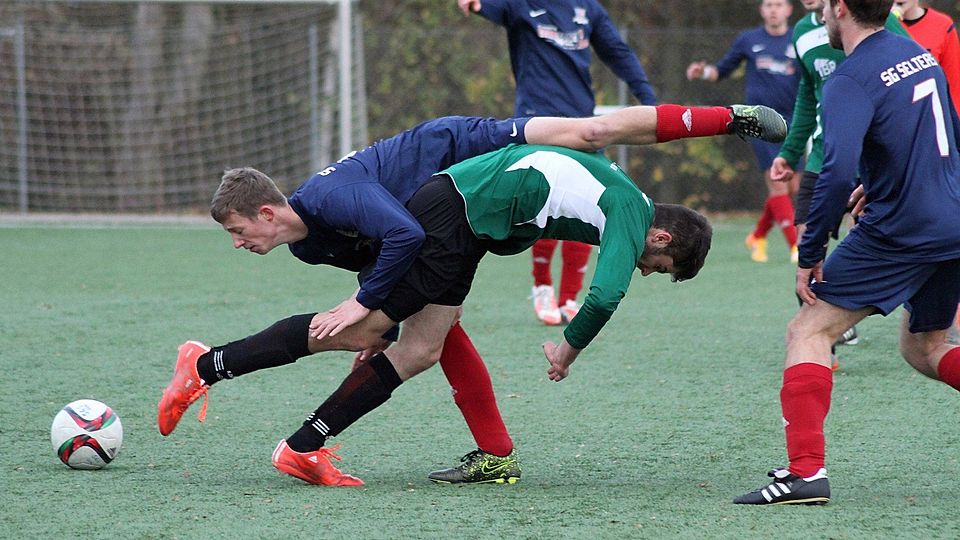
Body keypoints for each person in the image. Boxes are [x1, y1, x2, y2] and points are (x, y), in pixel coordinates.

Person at [158, 105, 780, 486]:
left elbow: (390, 239)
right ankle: (211, 368)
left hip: (464, 186)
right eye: (661, 264)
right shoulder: (628, 211)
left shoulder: (318, 220)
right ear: (662, 236)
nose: (650, 271)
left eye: (241, 233)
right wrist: (368, 308)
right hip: (453, 199)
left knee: (421, 344)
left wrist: (374, 305)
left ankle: (304, 445)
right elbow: (605, 294)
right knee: (366, 331)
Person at [735, 0, 960, 506]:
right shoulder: (916, 53)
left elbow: (835, 171)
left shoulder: (850, 77)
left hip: (903, 229)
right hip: (953, 219)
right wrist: (880, 185)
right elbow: (949, 140)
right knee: (925, 348)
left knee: (809, 328)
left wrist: (809, 251)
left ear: (840, 9)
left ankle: (805, 473)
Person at [458, 0, 658, 326]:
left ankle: (569, 297)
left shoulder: (587, 8)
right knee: (548, 203)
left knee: (590, 206)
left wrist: (648, 99)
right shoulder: (521, 4)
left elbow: (617, 52)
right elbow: (488, 6)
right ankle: (542, 286)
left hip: (582, 125)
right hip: (537, 124)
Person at [771, 0, 909, 365]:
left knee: (873, 235)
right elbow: (806, 95)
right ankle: (821, 346)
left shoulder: (877, 22)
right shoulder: (801, 31)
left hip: (871, 158)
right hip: (824, 156)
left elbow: (911, 71)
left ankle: (896, 314)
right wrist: (789, 151)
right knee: (807, 240)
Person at [687, 0, 801, 264]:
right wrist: (703, 71)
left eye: (779, 4)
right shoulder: (749, 39)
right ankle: (797, 246)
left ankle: (758, 235)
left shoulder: (799, 38)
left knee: (793, 184)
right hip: (759, 122)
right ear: (762, 10)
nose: (773, 9)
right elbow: (721, 71)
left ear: (788, 10)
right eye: (768, 4)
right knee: (778, 183)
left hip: (794, 121)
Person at [892, 0, 960, 344]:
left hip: (936, 142)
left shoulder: (943, 25)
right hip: (892, 143)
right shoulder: (877, 24)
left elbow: (954, 88)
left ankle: (945, 312)